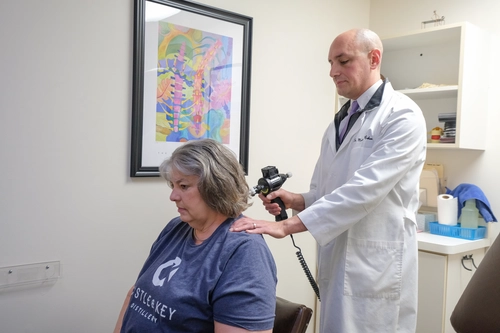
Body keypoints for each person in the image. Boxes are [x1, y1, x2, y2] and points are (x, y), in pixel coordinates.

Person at [231, 28, 427, 333]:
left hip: (376, 266)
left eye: (343, 61)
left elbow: (364, 191)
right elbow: (327, 191)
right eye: (330, 63)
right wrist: (297, 200)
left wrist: (286, 226)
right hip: (337, 259)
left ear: (374, 58)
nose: (333, 72)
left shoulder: (402, 117)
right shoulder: (340, 121)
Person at [114, 139, 277, 333]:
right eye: (173, 186)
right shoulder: (176, 228)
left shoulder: (245, 252)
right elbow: (135, 296)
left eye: (183, 186)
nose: (173, 196)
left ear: (216, 188)